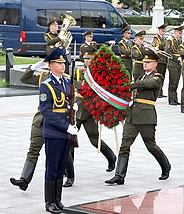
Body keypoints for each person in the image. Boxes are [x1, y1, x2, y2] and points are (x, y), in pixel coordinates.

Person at [105, 48, 171, 185]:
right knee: (125, 144)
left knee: (150, 145)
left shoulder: (157, 76)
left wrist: (132, 84)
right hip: (133, 114)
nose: (144, 64)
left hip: (146, 115)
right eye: (144, 62)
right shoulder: (141, 76)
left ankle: (166, 166)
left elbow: (150, 84)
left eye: (148, 62)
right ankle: (119, 175)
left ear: (155, 64)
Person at [63, 51, 117, 188]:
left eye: (89, 58)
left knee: (94, 139)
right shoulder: (83, 71)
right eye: (85, 58)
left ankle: (111, 158)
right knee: (70, 139)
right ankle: (69, 172)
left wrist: (74, 83)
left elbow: (90, 88)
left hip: (89, 109)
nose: (87, 61)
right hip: (77, 108)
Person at [39, 47, 77, 213]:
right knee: (52, 167)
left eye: (63, 63)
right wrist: (65, 125)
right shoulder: (46, 85)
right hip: (54, 132)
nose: (63, 65)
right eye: (59, 63)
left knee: (61, 168)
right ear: (50, 66)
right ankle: (49, 202)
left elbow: (68, 104)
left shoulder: (67, 81)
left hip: (66, 132)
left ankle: (58, 200)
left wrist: (73, 109)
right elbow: (46, 111)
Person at [10, 59, 50, 191]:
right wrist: (36, 66)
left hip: (56, 123)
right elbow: (24, 78)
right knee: (33, 150)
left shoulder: (67, 79)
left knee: (63, 153)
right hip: (40, 121)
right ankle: (24, 180)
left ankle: (70, 175)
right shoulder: (43, 77)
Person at [165, 25, 184, 105]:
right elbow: (167, 52)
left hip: (178, 64)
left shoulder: (179, 41)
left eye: (181, 33)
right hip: (173, 64)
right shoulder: (170, 40)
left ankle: (175, 98)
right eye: (179, 33)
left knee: (176, 82)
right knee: (172, 82)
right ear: (175, 32)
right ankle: (171, 99)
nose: (180, 34)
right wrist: (176, 58)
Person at [152, 24, 168, 98]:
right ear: (159, 30)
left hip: (164, 60)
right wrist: (165, 43)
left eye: (164, 31)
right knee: (158, 76)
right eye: (162, 31)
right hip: (159, 59)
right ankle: (157, 92)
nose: (163, 32)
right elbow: (158, 46)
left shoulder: (164, 38)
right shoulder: (156, 38)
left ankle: (160, 91)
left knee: (162, 76)